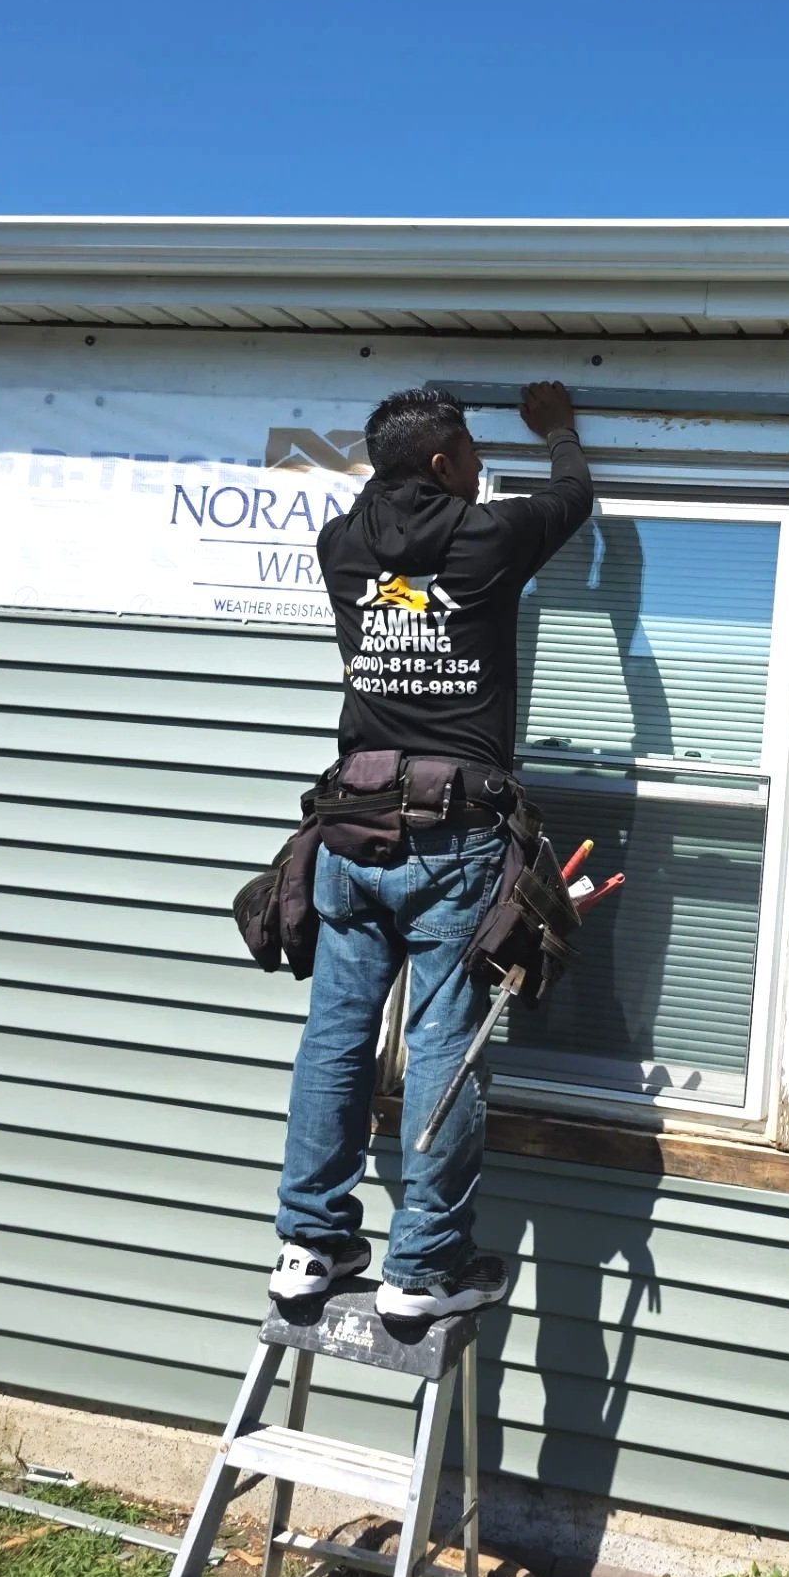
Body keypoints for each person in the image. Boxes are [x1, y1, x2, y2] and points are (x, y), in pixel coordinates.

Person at [269, 380, 592, 1318]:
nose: (485, 470)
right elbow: (572, 501)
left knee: (336, 1038)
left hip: (351, 829)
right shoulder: (486, 540)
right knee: (444, 1046)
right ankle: (422, 1271)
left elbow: (385, 505)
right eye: (474, 456)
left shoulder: (342, 545)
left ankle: (309, 1244)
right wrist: (562, 432)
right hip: (453, 837)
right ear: (446, 463)